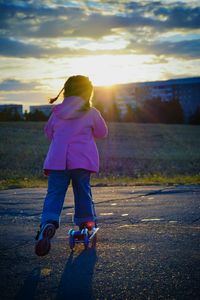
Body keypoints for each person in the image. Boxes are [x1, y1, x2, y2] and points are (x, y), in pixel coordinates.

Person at [35, 75, 108, 256]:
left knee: (54, 194)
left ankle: (48, 224)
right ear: (88, 92)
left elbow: (48, 133)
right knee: (82, 191)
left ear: (66, 91)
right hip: (81, 162)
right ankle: (86, 223)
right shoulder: (91, 113)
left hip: (57, 162)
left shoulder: (56, 112)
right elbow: (102, 133)